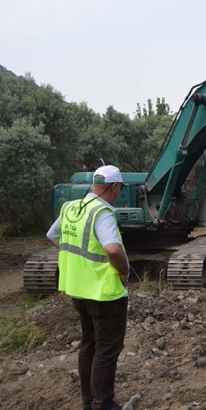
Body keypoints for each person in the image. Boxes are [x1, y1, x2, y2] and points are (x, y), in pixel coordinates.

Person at [46, 165, 130, 410]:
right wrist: (124, 272)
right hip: (104, 293)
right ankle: (102, 404)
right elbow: (113, 249)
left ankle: (88, 402)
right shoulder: (103, 212)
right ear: (114, 187)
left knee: (89, 344)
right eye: (120, 188)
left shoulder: (71, 207)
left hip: (78, 288)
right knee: (106, 350)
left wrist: (77, 262)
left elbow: (53, 235)